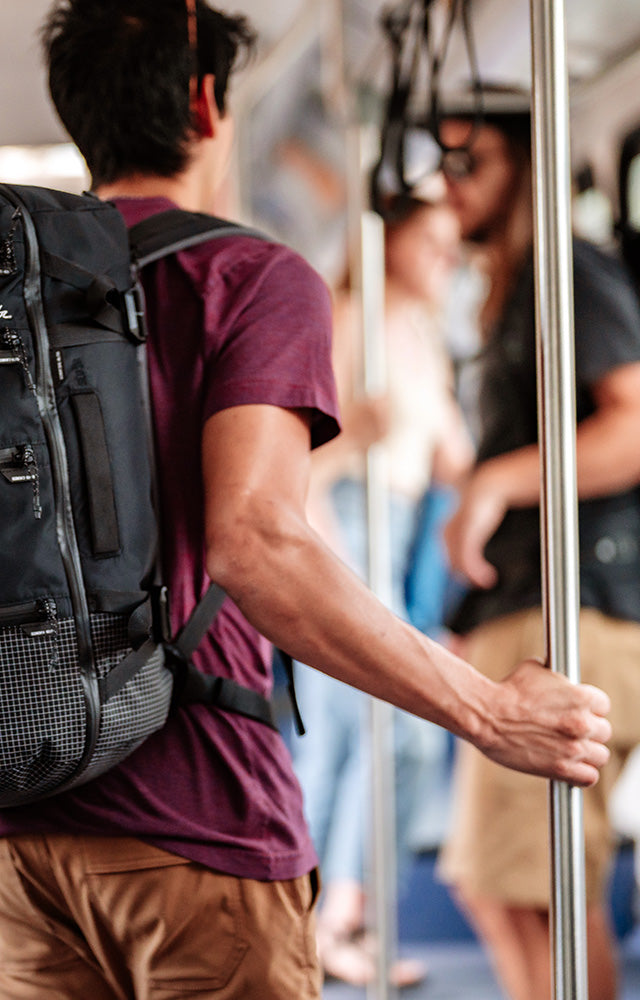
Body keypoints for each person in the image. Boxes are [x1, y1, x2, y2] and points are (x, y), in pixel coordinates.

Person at [0, 6, 612, 999]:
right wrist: (487, 712)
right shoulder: (245, 275)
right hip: (195, 815)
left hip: (16, 828)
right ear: (205, 103)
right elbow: (258, 541)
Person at [434, 97, 640, 1000]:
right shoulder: (509, 288)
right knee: (499, 884)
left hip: (576, 611)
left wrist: (495, 482)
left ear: (522, 164)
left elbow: (634, 425)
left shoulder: (568, 269)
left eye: (468, 162)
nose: (449, 186)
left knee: (536, 890)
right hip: (524, 608)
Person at [289, 192, 472, 986]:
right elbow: (296, 471)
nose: (449, 257)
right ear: (385, 241)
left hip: (395, 538)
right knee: (383, 734)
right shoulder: (343, 316)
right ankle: (334, 914)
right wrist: (355, 437)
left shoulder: (421, 334)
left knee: (352, 738)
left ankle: (330, 915)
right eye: (432, 240)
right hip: (341, 530)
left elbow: (448, 459)